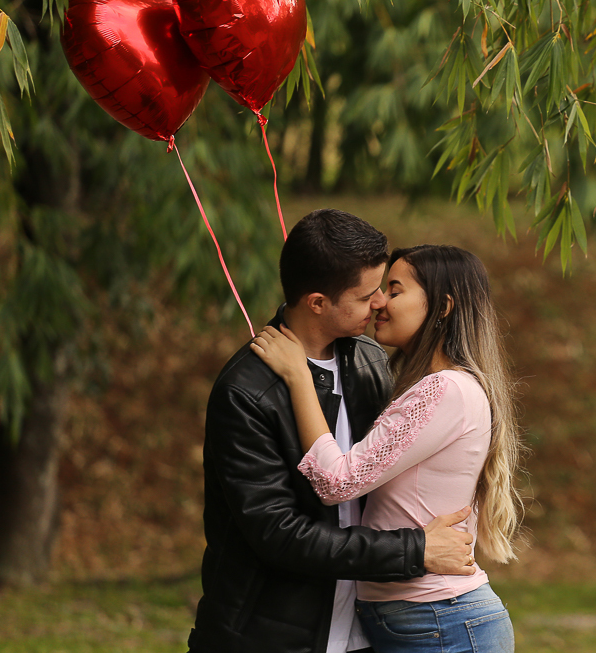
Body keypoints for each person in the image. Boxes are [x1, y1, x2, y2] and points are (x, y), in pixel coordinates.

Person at [188, 211, 477, 653]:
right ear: (318, 302)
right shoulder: (246, 392)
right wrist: (413, 550)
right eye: (367, 295)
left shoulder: (369, 361)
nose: (380, 302)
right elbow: (280, 534)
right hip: (270, 638)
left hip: (367, 633)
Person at [252, 244, 523, 653]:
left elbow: (338, 481)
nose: (379, 301)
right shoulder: (437, 387)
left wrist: (298, 376)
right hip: (429, 619)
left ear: (443, 306)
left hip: (441, 621)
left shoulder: (444, 389)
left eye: (394, 290)